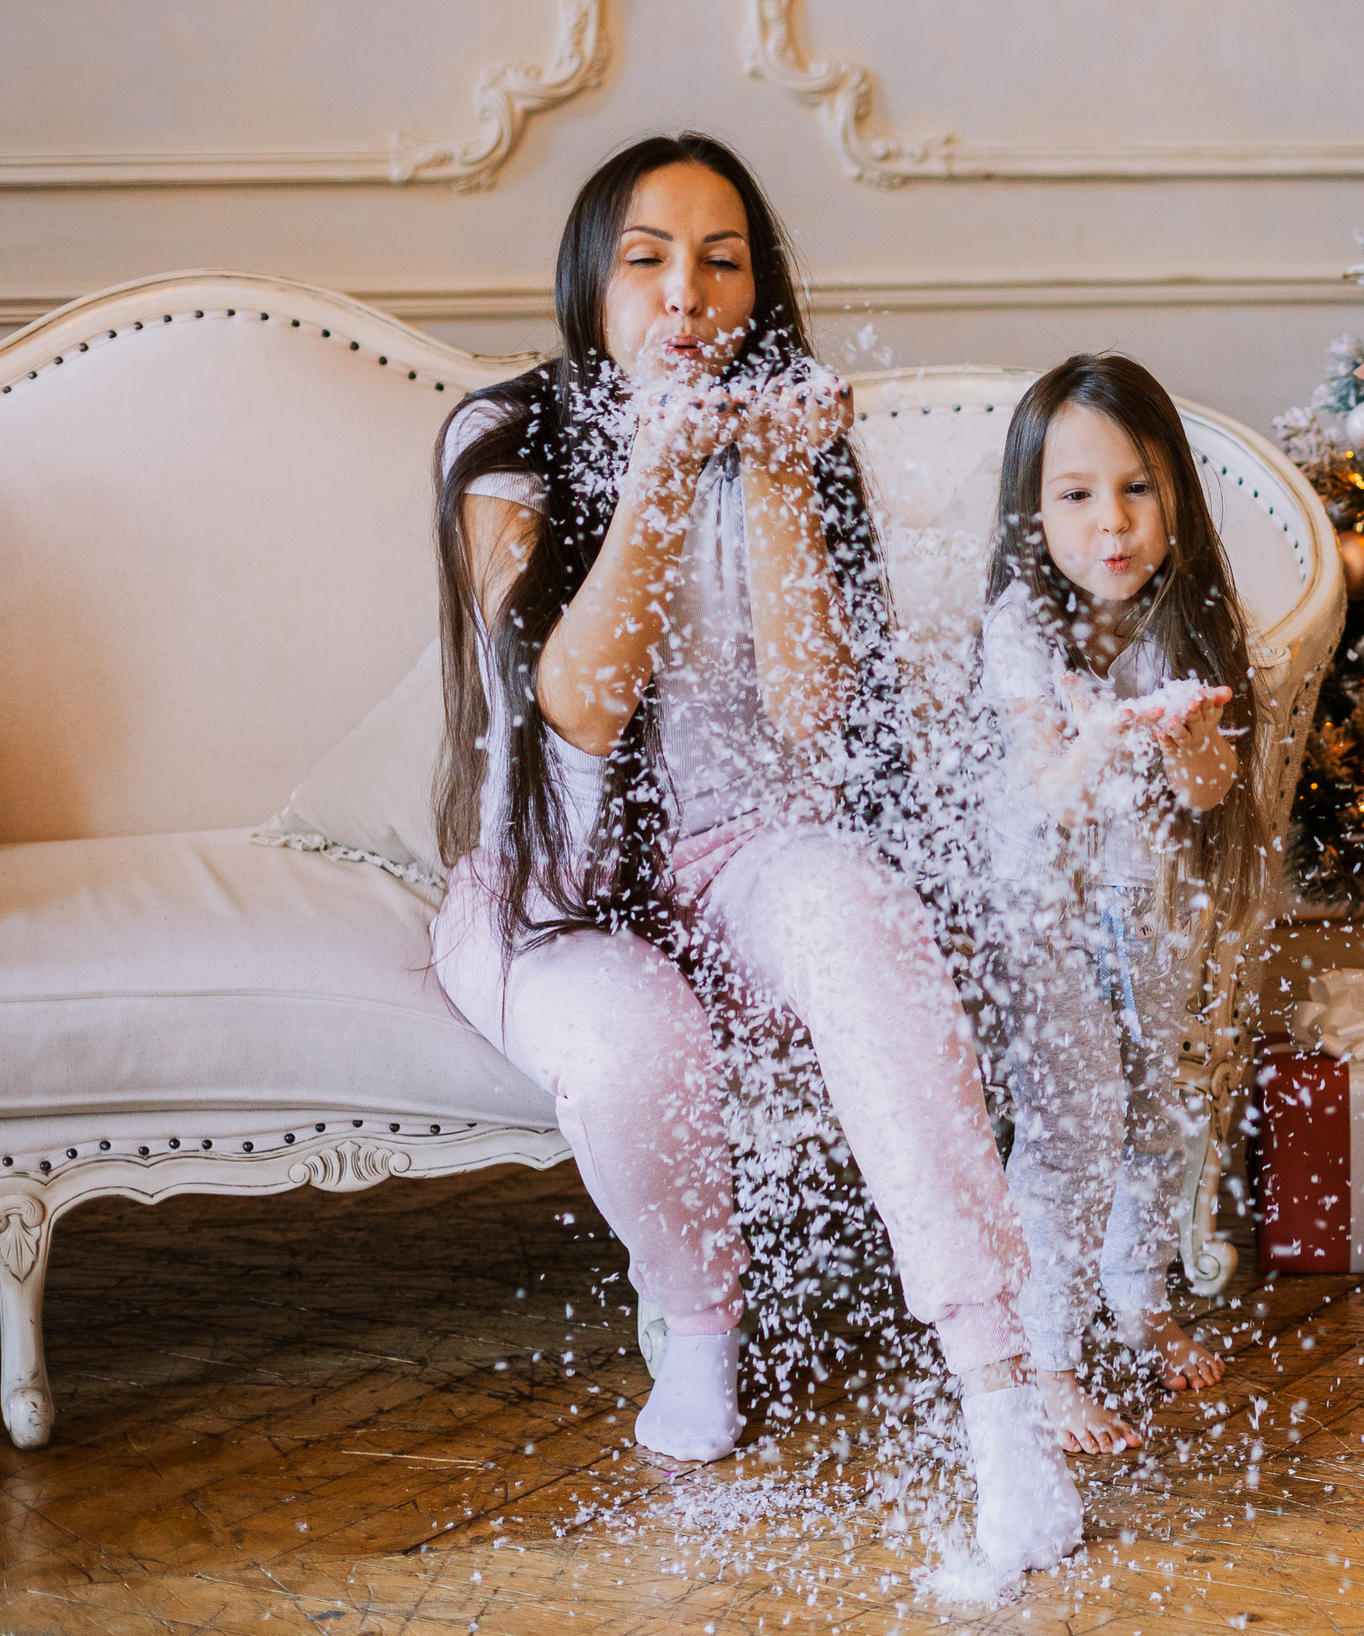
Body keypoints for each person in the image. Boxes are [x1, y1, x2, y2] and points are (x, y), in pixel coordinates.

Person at [425, 132, 1079, 1572]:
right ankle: (700, 1319)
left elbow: (813, 717)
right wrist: (663, 472)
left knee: (862, 910)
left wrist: (776, 481)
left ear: (761, 291)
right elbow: (578, 708)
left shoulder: (789, 430)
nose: (688, 294)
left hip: (745, 858)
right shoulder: (502, 439)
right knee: (635, 1038)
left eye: (723, 263)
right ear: (590, 282)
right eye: (648, 259)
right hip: (554, 887)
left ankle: (997, 1393)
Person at [974, 354, 1266, 1453]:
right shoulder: (1022, 627)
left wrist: (1190, 748)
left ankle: (1138, 1300)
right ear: (1033, 510)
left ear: (1175, 492)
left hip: (1147, 906)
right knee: (1074, 1122)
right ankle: (1045, 1359)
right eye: (1078, 493)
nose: (1113, 521)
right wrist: (1100, 734)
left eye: (1138, 488)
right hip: (1038, 917)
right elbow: (1049, 793)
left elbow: (1211, 790)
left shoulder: (1183, 620)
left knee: (1154, 1110)